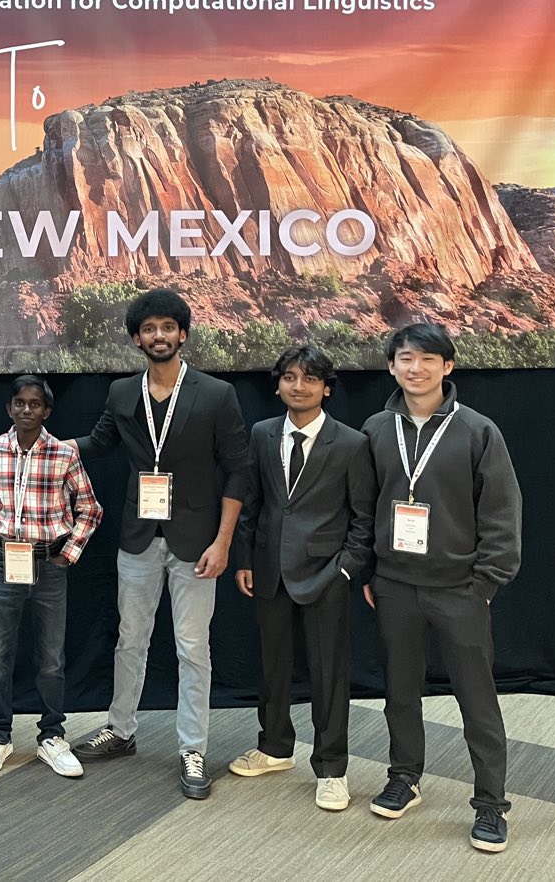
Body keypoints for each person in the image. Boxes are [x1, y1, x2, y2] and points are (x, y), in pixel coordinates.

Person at [71, 288, 250, 799]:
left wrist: (223, 542)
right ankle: (121, 730)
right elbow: (100, 442)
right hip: (138, 536)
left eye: (167, 327)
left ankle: (192, 747)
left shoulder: (216, 394)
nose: (158, 336)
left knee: (193, 648)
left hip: (198, 542)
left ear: (182, 333)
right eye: (148, 329)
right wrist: (50, 445)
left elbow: (239, 470)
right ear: (136, 339)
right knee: (130, 638)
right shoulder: (122, 392)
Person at [360, 323, 521, 853]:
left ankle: (491, 805)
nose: (417, 368)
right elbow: (364, 509)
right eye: (406, 358)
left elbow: (500, 512)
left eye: (429, 359)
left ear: (448, 367)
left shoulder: (478, 430)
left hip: (460, 589)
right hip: (395, 586)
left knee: (477, 699)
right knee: (400, 692)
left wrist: (485, 584)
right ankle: (405, 778)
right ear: (391, 367)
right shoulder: (377, 429)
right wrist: (369, 572)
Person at [230, 345, 375, 811]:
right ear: (277, 385)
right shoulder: (261, 433)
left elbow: (363, 518)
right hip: (269, 570)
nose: (299, 386)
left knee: (329, 674)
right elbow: (252, 502)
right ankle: (274, 747)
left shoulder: (351, 443)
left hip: (326, 573)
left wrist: (347, 569)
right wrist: (246, 559)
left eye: (310, 379)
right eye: (290, 377)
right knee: (272, 667)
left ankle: (332, 769)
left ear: (326, 389)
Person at [0, 375, 102, 778]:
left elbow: (91, 509)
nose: (26, 410)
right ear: (9, 408)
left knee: (51, 659)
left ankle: (52, 736)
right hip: (3, 560)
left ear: (47, 411)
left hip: (49, 564)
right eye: (19, 403)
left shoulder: (62, 454)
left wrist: (69, 553)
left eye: (35, 404)